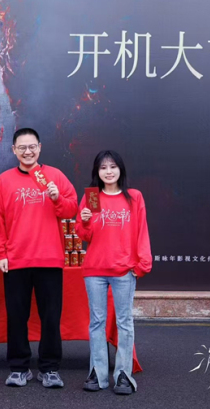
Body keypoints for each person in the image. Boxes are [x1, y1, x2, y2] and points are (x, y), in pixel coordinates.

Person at [0, 127, 78, 388]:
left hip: (49, 258)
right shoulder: (4, 180)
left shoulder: (55, 176)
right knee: (16, 316)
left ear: (39, 148)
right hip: (16, 259)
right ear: (14, 150)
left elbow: (72, 209)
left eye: (32, 147)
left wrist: (57, 198)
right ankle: (19, 367)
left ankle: (49, 368)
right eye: (22, 147)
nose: (28, 151)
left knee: (51, 317)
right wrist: (1, 253)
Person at [78, 150, 152, 395]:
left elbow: (142, 231)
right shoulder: (92, 197)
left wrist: (142, 264)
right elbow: (84, 235)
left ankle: (123, 375)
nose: (108, 172)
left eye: (112, 166)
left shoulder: (134, 197)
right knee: (97, 322)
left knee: (124, 322)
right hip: (95, 269)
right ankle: (97, 373)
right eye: (103, 167)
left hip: (123, 269)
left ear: (120, 169)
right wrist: (85, 220)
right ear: (96, 172)